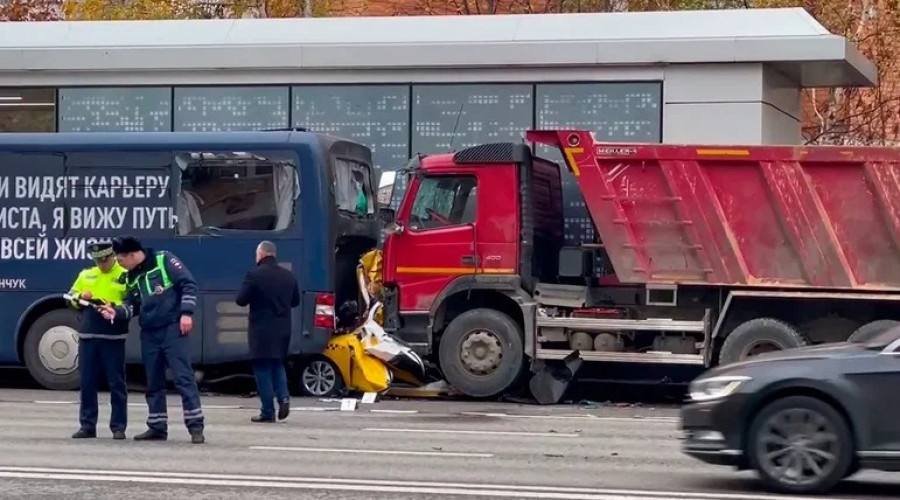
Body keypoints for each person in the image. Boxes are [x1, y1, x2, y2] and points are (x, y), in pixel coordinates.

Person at [99, 235, 205, 444]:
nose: (120, 264)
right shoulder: (132, 276)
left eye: (120, 260)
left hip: (173, 329)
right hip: (149, 333)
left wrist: (186, 313)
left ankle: (195, 427)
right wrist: (115, 312)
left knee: (184, 378)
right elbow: (132, 305)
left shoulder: (164, 260)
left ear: (131, 255)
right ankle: (157, 426)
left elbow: (188, 284)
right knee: (153, 382)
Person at [68, 242, 130, 440]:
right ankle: (87, 426)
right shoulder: (86, 274)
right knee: (87, 383)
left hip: (113, 336)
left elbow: (132, 301)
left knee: (116, 383)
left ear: (112, 256)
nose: (102, 264)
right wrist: (80, 297)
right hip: (88, 335)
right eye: (98, 261)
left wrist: (115, 307)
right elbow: (70, 298)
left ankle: (118, 427)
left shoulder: (125, 274)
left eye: (105, 259)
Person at [235, 240, 300, 423]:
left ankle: (268, 411)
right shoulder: (288, 276)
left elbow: (241, 300)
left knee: (262, 368)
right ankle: (284, 397)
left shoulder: (254, 275)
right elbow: (295, 302)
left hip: (261, 329)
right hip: (283, 328)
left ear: (261, 254)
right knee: (277, 364)